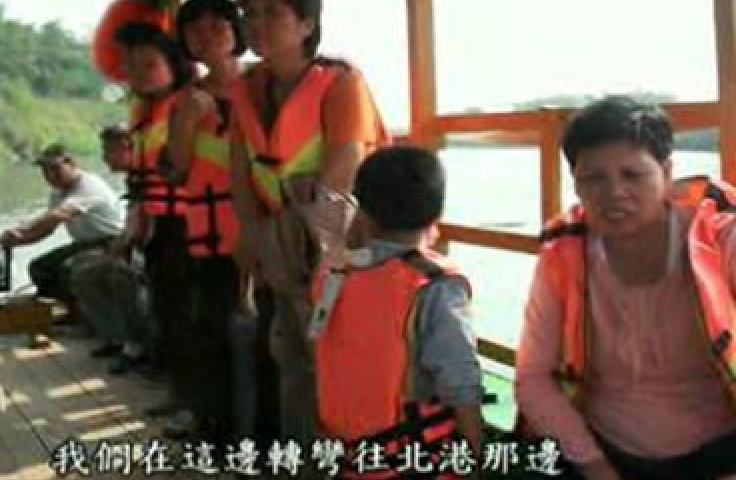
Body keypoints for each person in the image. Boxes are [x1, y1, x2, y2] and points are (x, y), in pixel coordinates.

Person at [516, 96, 736, 480]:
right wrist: (595, 466)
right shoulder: (564, 253)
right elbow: (533, 376)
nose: (614, 192)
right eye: (594, 178)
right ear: (576, 184)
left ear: (666, 173)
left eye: (632, 175)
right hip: (601, 448)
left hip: (720, 450)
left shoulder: (720, 237)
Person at [228, 0, 389, 442]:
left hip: (334, 247)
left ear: (306, 24)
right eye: (250, 14)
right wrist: (254, 236)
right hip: (281, 249)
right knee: (292, 359)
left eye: (271, 13)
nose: (256, 24)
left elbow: (342, 171)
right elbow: (240, 171)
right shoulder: (246, 90)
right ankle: (302, 458)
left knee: (333, 359)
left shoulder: (342, 83)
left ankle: (350, 457)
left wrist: (281, 243)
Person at [312, 146, 483, 479]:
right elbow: (461, 384)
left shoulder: (334, 276)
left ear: (362, 211)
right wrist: (473, 462)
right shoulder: (435, 286)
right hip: (414, 463)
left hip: (350, 458)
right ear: (438, 212)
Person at [153, 0, 247, 441]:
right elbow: (175, 170)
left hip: (264, 234)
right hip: (210, 237)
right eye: (194, 30)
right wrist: (188, 122)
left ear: (236, 30)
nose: (206, 36)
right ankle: (216, 429)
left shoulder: (262, 86)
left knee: (265, 339)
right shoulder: (184, 101)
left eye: (217, 25)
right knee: (211, 334)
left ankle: (261, 436)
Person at [111, 20, 194, 415]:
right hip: (159, 227)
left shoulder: (188, 104)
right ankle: (178, 391)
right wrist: (137, 225)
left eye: (149, 64)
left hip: (189, 226)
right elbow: (139, 180)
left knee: (186, 315)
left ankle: (192, 400)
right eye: (132, 65)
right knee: (166, 310)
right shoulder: (143, 113)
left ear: (173, 64)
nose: (138, 73)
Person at [0, 144, 124, 310]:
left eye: (55, 169)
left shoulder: (89, 185)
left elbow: (60, 214)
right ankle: (56, 311)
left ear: (71, 163)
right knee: (38, 268)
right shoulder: (58, 193)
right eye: (45, 171)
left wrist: (22, 228)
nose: (50, 176)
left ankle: (79, 313)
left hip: (111, 242)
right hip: (83, 244)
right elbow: (47, 228)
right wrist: (15, 241)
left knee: (67, 270)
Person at [70, 125, 153, 375]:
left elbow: (141, 229)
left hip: (151, 253)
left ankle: (136, 347)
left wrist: (119, 251)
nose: (105, 158)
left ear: (128, 149)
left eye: (110, 151)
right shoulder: (133, 179)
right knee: (83, 270)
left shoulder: (149, 177)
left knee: (118, 274)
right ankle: (115, 337)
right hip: (132, 248)